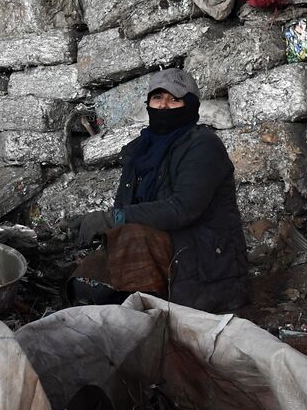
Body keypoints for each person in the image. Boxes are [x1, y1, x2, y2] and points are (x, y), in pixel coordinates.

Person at [66, 68, 248, 313]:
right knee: (83, 287)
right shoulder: (138, 151)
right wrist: (98, 226)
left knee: (131, 239)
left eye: (175, 99)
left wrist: (114, 218)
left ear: (191, 106)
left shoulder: (203, 146)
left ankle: (145, 314)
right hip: (161, 251)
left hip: (202, 265)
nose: (163, 106)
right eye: (157, 98)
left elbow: (182, 209)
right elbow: (126, 207)